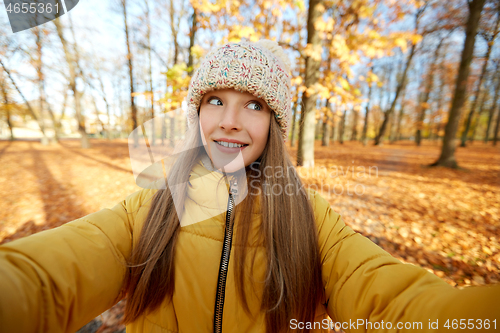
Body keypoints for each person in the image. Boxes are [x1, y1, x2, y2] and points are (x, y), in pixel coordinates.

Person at [0, 39, 498, 333]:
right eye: (214, 100)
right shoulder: (150, 206)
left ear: (275, 125)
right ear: (196, 113)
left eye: (254, 105)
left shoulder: (310, 219)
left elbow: (394, 302)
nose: (230, 122)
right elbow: (47, 276)